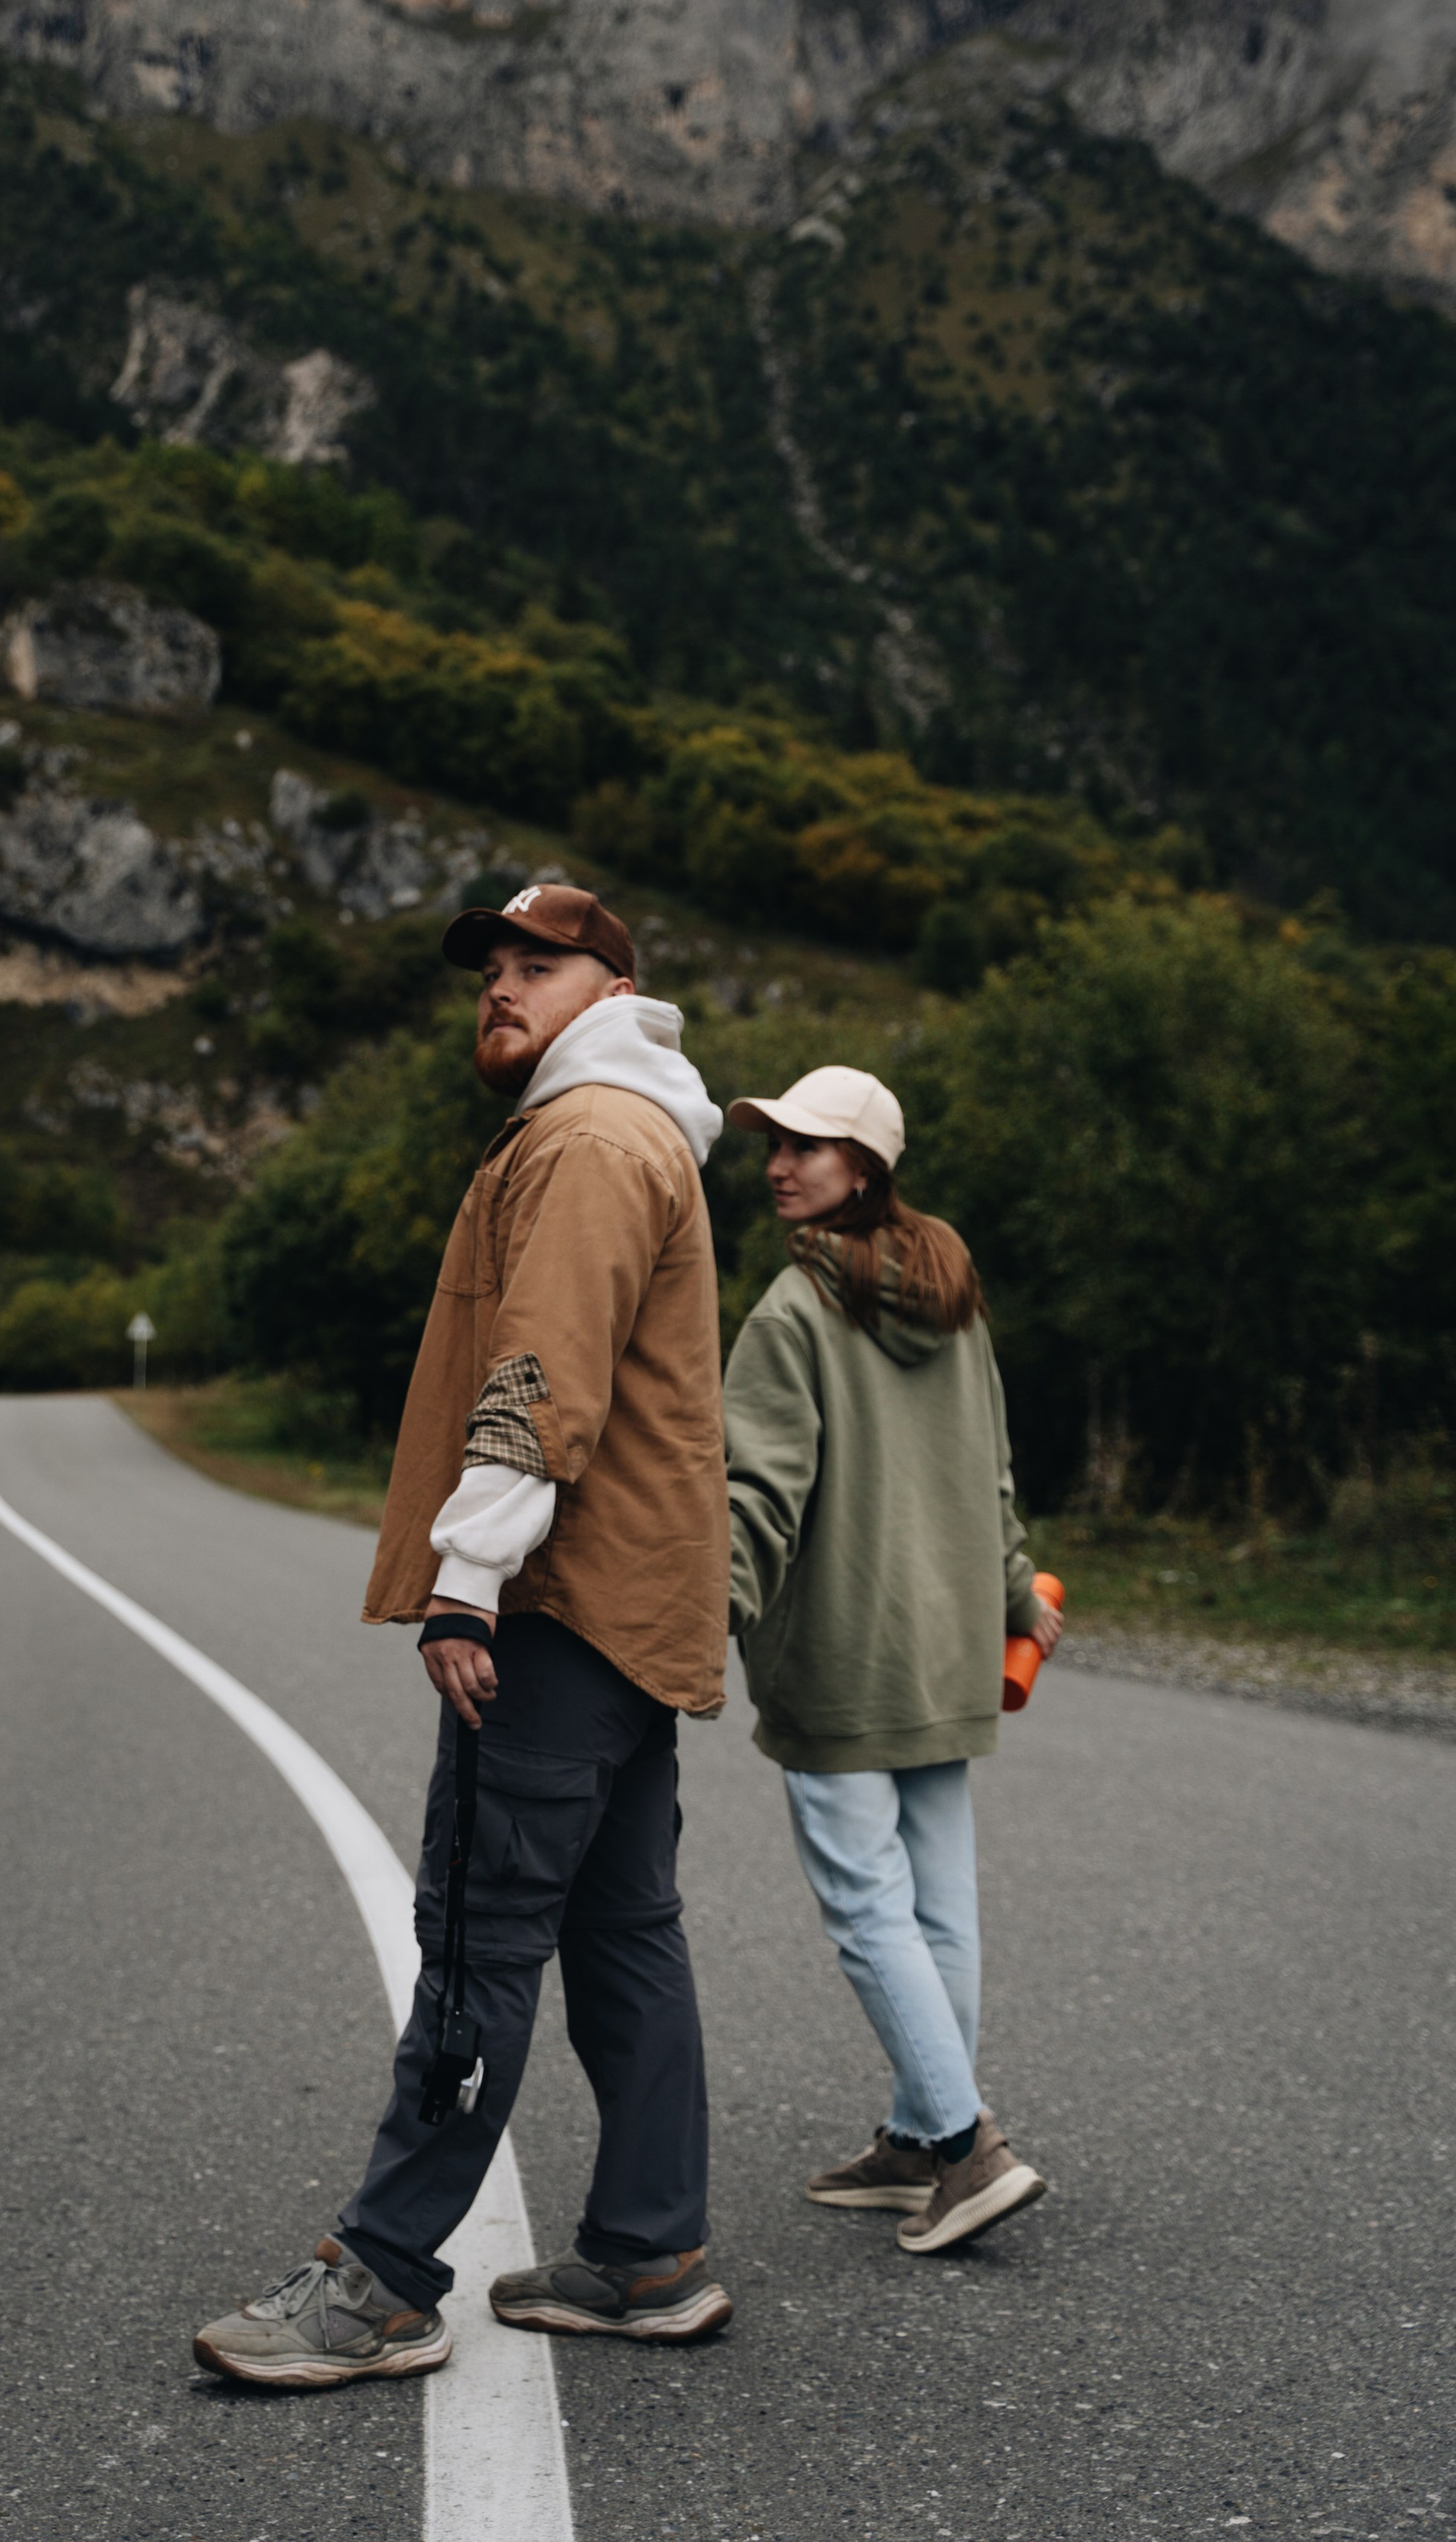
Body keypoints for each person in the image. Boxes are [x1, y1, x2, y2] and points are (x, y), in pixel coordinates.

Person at [194, 884, 735, 2386]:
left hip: (558, 1602)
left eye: (534, 965)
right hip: (635, 1605)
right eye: (488, 970)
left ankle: (378, 2282)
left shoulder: (587, 1138)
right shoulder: (631, 1132)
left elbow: (541, 1372)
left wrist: (467, 1577)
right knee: (624, 1928)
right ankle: (651, 2253)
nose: (499, 989)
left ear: (614, 984)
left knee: (478, 1941)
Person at [722, 1065, 1061, 2255]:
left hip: (844, 1650)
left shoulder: (791, 1312)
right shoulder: (954, 1293)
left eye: (809, 1146)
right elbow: (998, 1468)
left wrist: (697, 1620)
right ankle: (921, 2137)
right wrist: (1016, 1591)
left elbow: (756, 1498)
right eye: (774, 1142)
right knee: (939, 1906)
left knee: (871, 1906)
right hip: (950, 1641)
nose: (779, 1163)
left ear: (864, 1169)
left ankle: (967, 2150)